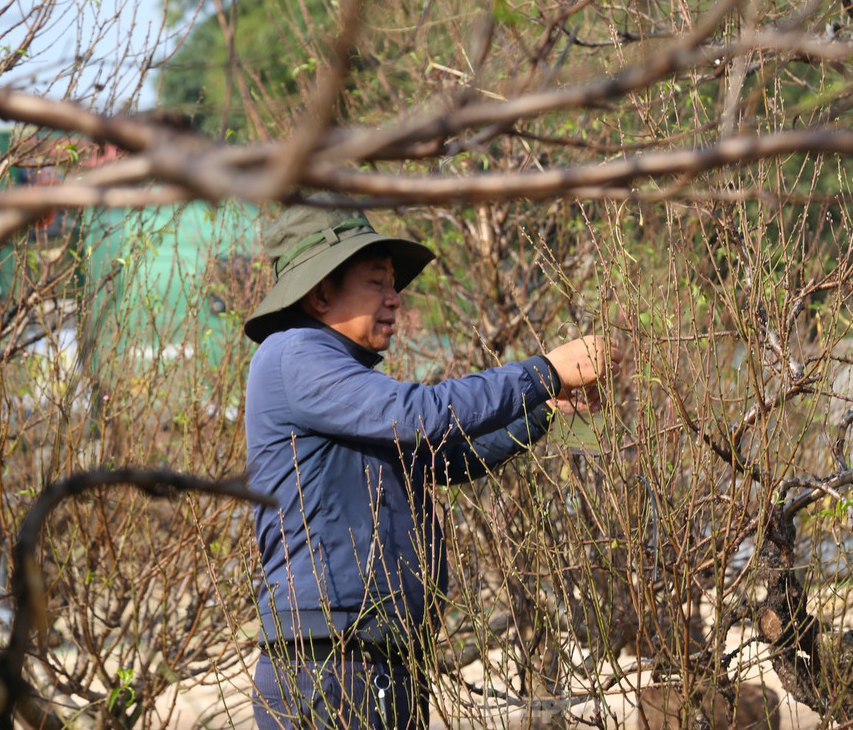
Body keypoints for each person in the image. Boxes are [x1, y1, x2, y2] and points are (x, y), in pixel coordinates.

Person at [243, 197, 614, 730]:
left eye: (394, 284)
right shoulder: (294, 352)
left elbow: (444, 456)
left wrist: (544, 413)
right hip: (329, 660)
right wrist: (544, 371)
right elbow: (421, 416)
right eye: (377, 282)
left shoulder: (341, 382)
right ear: (321, 292)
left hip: (373, 653)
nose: (396, 300)